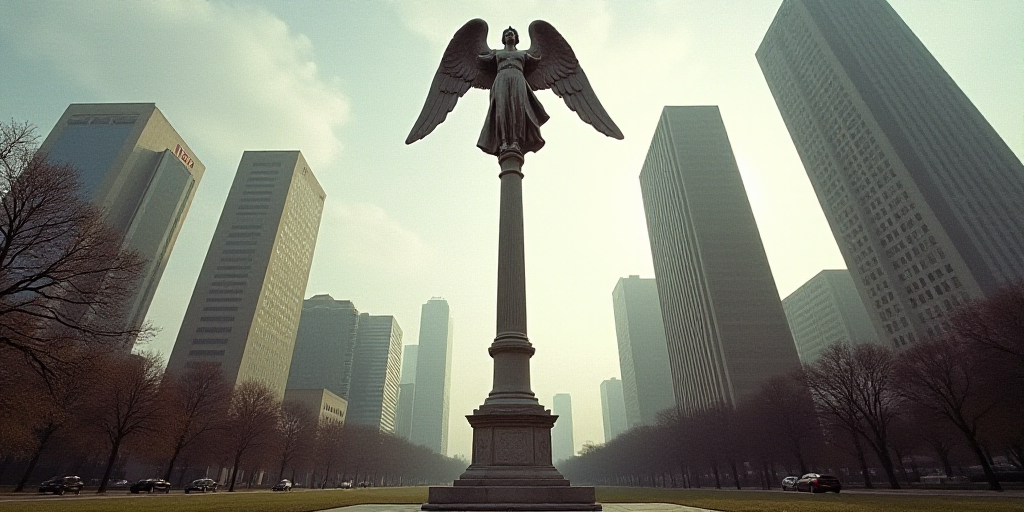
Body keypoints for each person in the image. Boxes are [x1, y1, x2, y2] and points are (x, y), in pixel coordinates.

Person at [476, 27, 550, 156]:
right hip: (501, 79)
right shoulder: (496, 53)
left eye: (512, 34)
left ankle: (516, 141)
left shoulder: (523, 54)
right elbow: (480, 59)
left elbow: (540, 60)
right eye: (506, 34)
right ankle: (503, 141)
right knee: (501, 111)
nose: (509, 35)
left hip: (518, 78)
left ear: (516, 38)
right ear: (503, 39)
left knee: (518, 110)